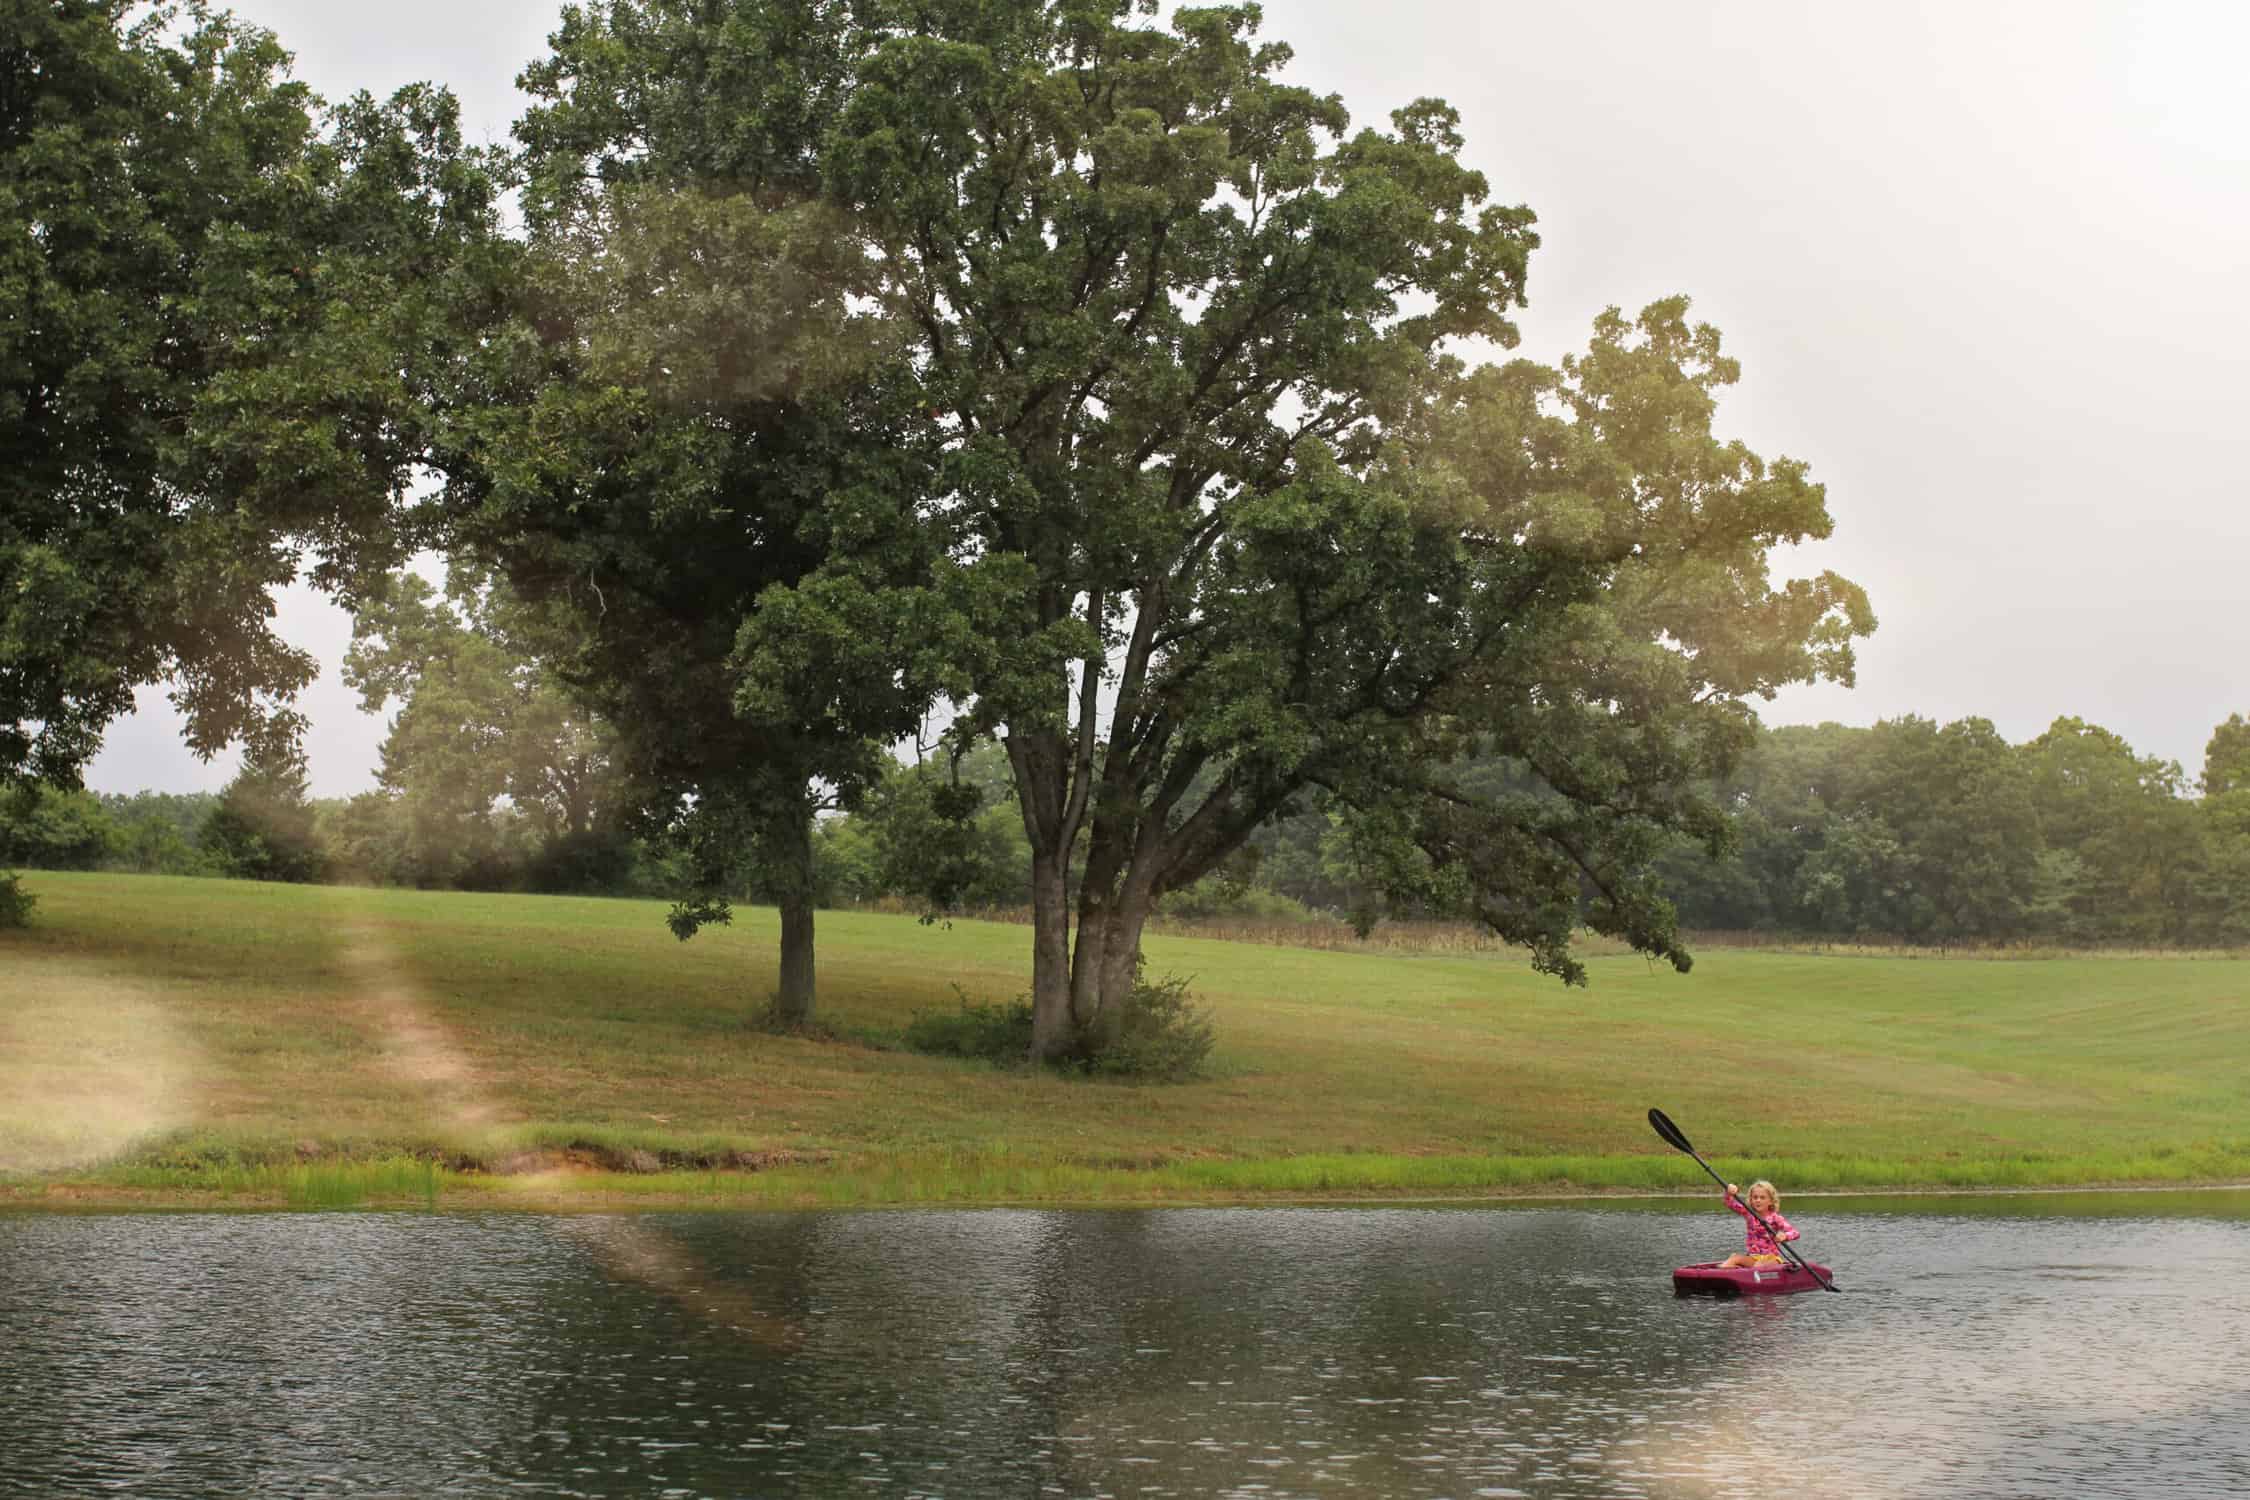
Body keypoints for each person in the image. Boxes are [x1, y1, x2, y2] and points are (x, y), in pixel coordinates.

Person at [1718, 1179, 1798, 1268]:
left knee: (1758, 1266)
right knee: (1734, 1258)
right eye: (1755, 1197)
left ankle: (1746, 1274)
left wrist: (1785, 1236)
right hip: (1753, 1258)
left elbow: (1795, 1233)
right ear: (1751, 1200)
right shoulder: (1748, 1212)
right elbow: (1729, 1202)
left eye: (1762, 1197)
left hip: (1771, 1259)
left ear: (1771, 1201)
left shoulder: (1775, 1218)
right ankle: (1726, 1275)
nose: (1758, 1200)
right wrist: (1728, 1192)